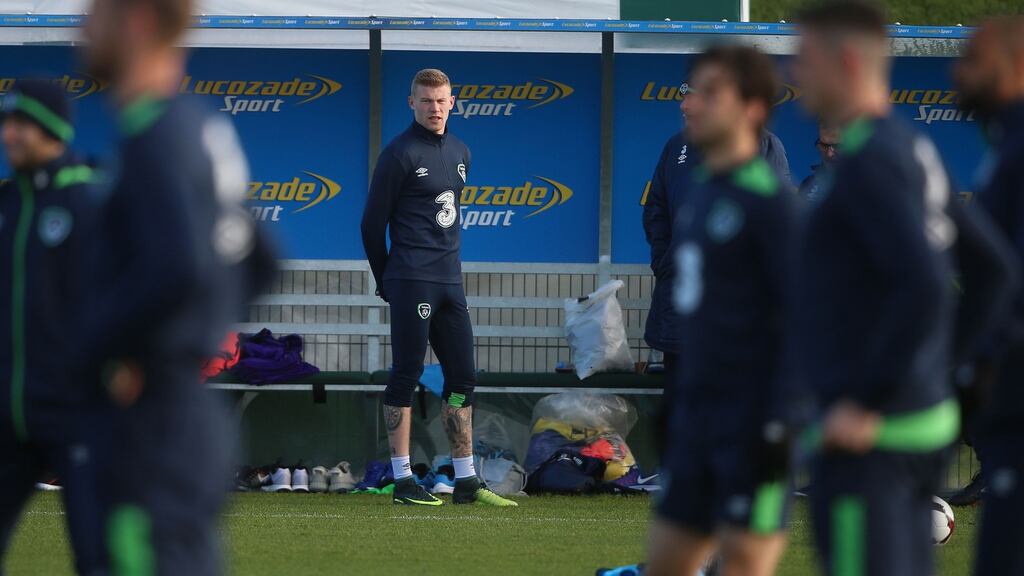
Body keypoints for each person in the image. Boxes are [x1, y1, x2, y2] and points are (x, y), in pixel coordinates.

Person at [793, 2, 1015, 575]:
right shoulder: (910, 146)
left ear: (844, 61)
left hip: (876, 436)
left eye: (805, 58)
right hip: (914, 419)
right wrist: (945, 373)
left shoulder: (870, 161)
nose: (795, 73)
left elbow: (922, 284)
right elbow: (993, 272)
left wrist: (868, 401)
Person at [80, 0, 276, 572]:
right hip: (181, 418)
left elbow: (179, 266)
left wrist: (108, 350)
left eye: (94, 11)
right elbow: (263, 259)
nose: (82, 25)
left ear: (137, 19)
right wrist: (195, 334)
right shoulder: (190, 124)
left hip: (154, 423)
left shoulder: (154, 138)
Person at [607, 46, 799, 576]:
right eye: (690, 92)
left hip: (750, 434)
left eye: (706, 93)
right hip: (695, 427)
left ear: (752, 109)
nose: (688, 105)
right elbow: (659, 215)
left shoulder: (773, 208)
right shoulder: (701, 181)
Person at [361, 68, 516, 508]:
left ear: (453, 102)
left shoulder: (462, 150)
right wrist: (386, 278)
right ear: (412, 103)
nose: (434, 108)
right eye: (426, 101)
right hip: (411, 279)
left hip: (450, 280)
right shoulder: (398, 154)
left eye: (441, 100)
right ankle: (403, 479)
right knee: (406, 375)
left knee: (463, 377)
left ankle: (466, 479)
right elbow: (371, 225)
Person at [643, 78, 792, 459]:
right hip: (680, 298)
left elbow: (777, 222)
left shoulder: (761, 146)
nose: (683, 105)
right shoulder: (675, 146)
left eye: (690, 96)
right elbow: (656, 207)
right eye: (682, 95)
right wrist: (665, 260)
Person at [0, 80, 110, 576]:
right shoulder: (8, 202)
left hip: (77, 412)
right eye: (6, 124)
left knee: (96, 556)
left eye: (19, 124)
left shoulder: (90, 195)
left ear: (50, 128)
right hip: (10, 413)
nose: (8, 135)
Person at [953, 16, 1024, 574]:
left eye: (974, 60)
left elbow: (1005, 273)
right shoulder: (1004, 143)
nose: (960, 73)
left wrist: (977, 357)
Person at [797, 121, 841, 202]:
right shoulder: (808, 184)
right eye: (824, 145)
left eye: (837, 146)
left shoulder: (867, 184)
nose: (829, 154)